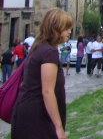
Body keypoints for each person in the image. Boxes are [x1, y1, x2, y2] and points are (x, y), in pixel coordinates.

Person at [11, 8, 72, 139]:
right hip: (37, 118)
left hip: (29, 114)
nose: (69, 31)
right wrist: (59, 127)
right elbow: (47, 91)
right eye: (66, 28)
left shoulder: (40, 47)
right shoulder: (49, 52)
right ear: (56, 28)